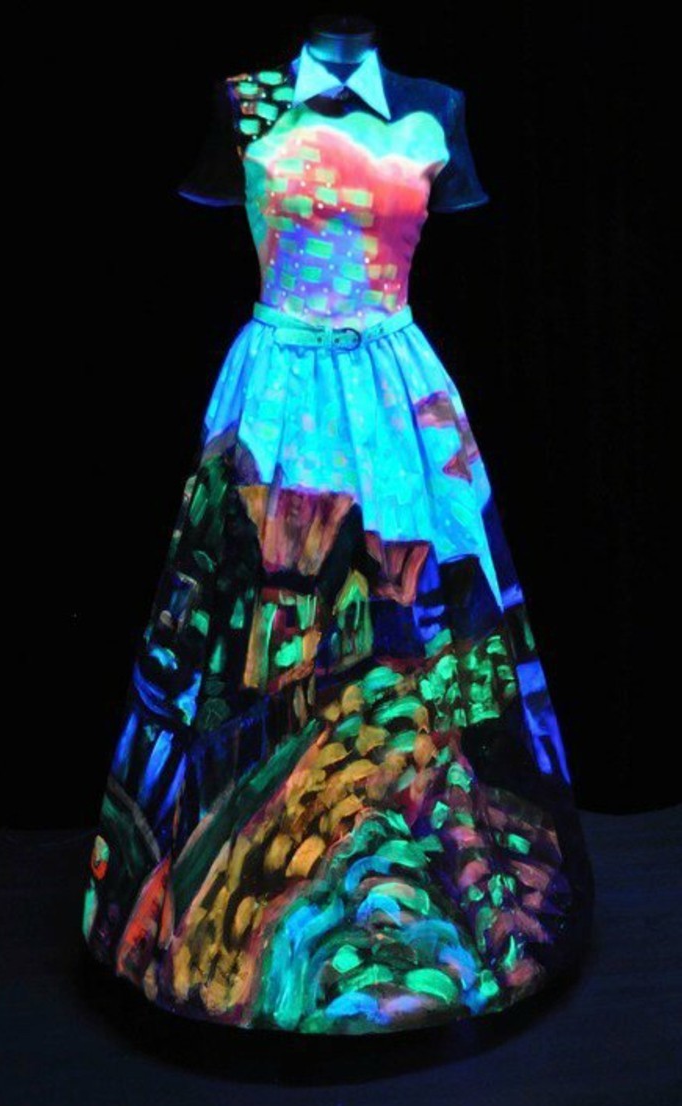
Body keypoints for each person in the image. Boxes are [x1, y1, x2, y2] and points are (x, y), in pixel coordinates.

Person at [81, 15, 594, 1036]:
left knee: (418, 619)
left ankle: (436, 894)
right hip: (277, 398)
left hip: (398, 398)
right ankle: (219, 913)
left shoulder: (433, 109)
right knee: (249, 624)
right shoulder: (250, 102)